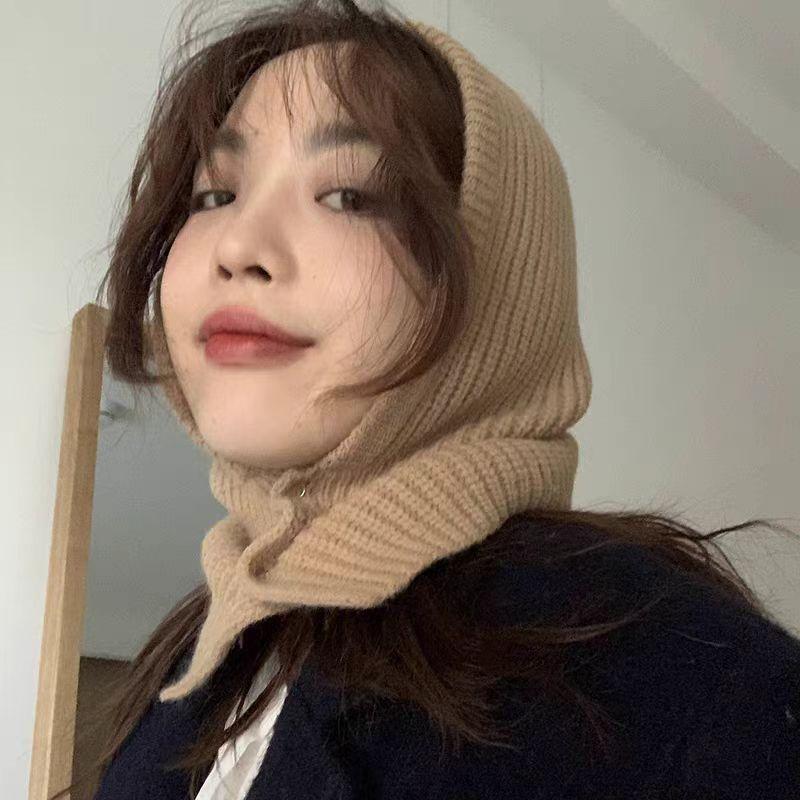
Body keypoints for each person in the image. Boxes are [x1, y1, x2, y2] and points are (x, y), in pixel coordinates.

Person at [55, 1, 800, 798]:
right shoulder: (199, 652)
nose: (237, 246)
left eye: (349, 194)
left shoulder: (682, 686)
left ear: (501, 278)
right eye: (213, 196)